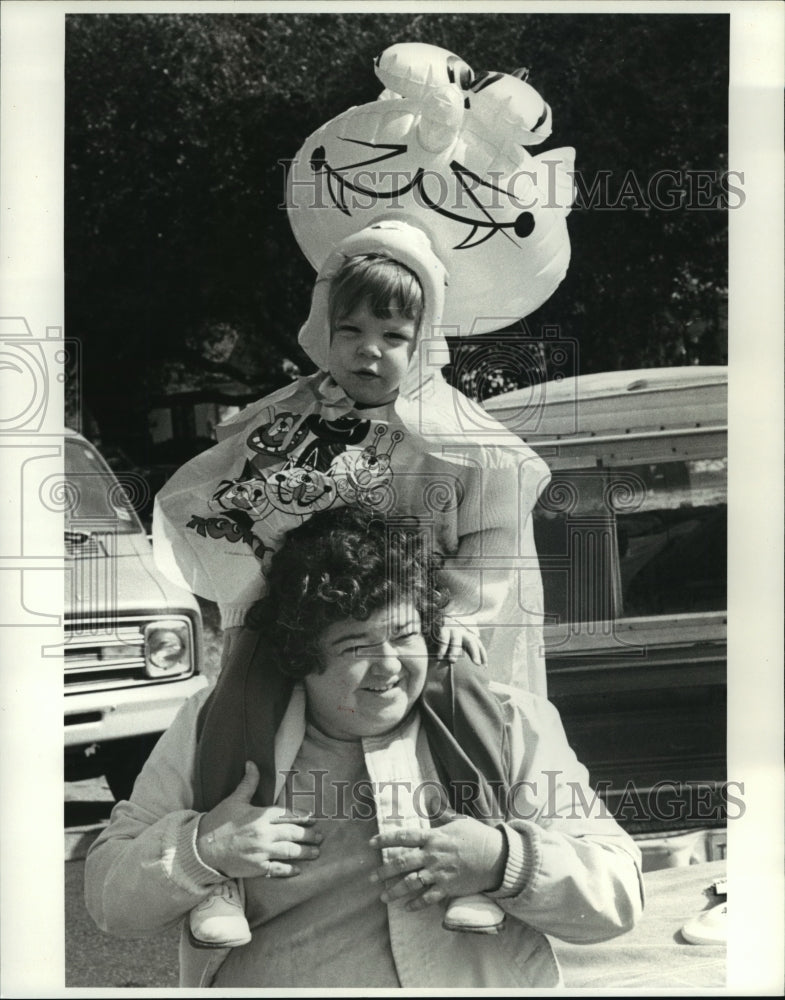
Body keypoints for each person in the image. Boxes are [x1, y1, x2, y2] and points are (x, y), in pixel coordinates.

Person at [152, 219, 551, 945]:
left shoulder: (463, 436)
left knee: (461, 696)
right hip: (308, 616)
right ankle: (226, 879)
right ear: (322, 329)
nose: (369, 350)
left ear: (422, 341)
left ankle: (481, 845)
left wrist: (462, 608)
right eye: (352, 329)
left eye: (394, 336)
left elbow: (498, 528)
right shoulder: (280, 422)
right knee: (240, 697)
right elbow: (206, 501)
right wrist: (257, 583)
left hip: (413, 621)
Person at [85, 507, 644, 989]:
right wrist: (203, 850)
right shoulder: (217, 727)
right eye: (355, 645)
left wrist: (501, 861)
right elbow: (110, 901)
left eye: (404, 635)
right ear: (300, 656)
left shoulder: (509, 722)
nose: (390, 666)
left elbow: (618, 895)